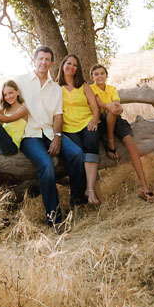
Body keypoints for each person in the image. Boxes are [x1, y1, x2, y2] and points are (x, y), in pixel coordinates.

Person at [17, 45, 88, 228]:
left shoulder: (55, 89)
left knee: (77, 153)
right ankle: (55, 218)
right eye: (40, 59)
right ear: (34, 61)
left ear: (52, 63)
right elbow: (5, 99)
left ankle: (77, 202)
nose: (43, 62)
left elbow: (58, 115)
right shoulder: (20, 82)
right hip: (29, 135)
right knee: (46, 164)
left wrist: (57, 137)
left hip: (50, 132)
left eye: (47, 60)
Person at [89, 63, 154, 202]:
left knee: (132, 147)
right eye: (96, 74)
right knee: (109, 110)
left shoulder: (112, 89)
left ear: (106, 76)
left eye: (102, 73)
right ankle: (110, 140)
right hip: (101, 123)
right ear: (92, 77)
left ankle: (144, 187)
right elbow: (98, 102)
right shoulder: (91, 89)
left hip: (116, 120)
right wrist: (111, 107)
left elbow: (117, 104)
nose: (99, 76)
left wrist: (117, 109)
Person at [56, 54, 103, 205]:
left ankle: (90, 189)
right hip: (68, 128)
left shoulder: (83, 85)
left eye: (75, 65)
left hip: (87, 123)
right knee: (79, 154)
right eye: (68, 63)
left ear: (78, 69)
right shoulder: (56, 88)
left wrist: (95, 120)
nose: (71, 67)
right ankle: (81, 198)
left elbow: (95, 108)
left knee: (91, 145)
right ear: (63, 65)